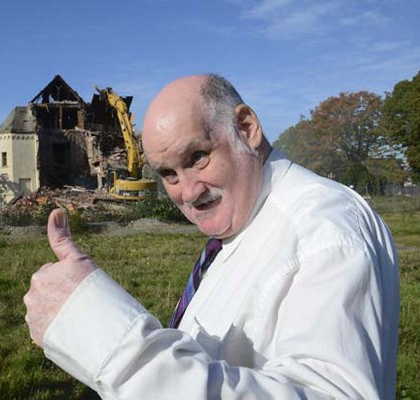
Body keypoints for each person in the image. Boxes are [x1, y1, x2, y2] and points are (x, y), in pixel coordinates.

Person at [24, 74, 399, 399]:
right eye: (169, 174)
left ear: (247, 128)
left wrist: (110, 345)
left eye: (197, 157)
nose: (187, 192)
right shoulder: (246, 221)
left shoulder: (323, 232)